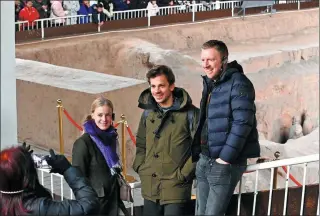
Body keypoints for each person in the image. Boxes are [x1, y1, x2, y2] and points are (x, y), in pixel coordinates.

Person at [192, 40, 260, 215]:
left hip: (224, 164)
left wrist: (225, 159)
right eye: (203, 60)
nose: (205, 65)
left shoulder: (239, 83)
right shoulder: (211, 82)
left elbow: (243, 122)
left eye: (211, 60)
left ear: (224, 60)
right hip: (205, 160)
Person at [133, 65, 199, 216]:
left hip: (176, 189)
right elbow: (141, 142)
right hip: (150, 187)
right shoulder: (148, 113)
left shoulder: (191, 114)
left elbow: (199, 148)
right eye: (153, 86)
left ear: (171, 86)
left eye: (161, 85)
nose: (157, 91)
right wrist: (141, 167)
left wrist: (183, 175)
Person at [0, 144, 100, 216]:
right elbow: (88, 205)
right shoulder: (40, 208)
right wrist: (67, 169)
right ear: (28, 176)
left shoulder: (6, 201)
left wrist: (20, 160)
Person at [72, 97, 129, 216]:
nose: (104, 119)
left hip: (114, 201)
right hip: (96, 206)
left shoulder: (112, 137)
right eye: (100, 115)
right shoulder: (83, 143)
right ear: (92, 115)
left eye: (108, 115)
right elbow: (77, 179)